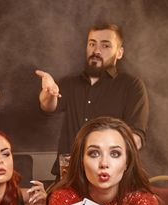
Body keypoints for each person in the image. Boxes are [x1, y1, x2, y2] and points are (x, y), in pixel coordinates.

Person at [35, 23, 149, 176]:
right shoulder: (70, 84)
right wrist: (48, 94)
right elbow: (48, 107)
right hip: (70, 176)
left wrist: (105, 157)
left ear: (119, 53)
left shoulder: (132, 86)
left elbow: (136, 138)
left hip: (109, 178)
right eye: (92, 44)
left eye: (105, 45)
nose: (96, 51)